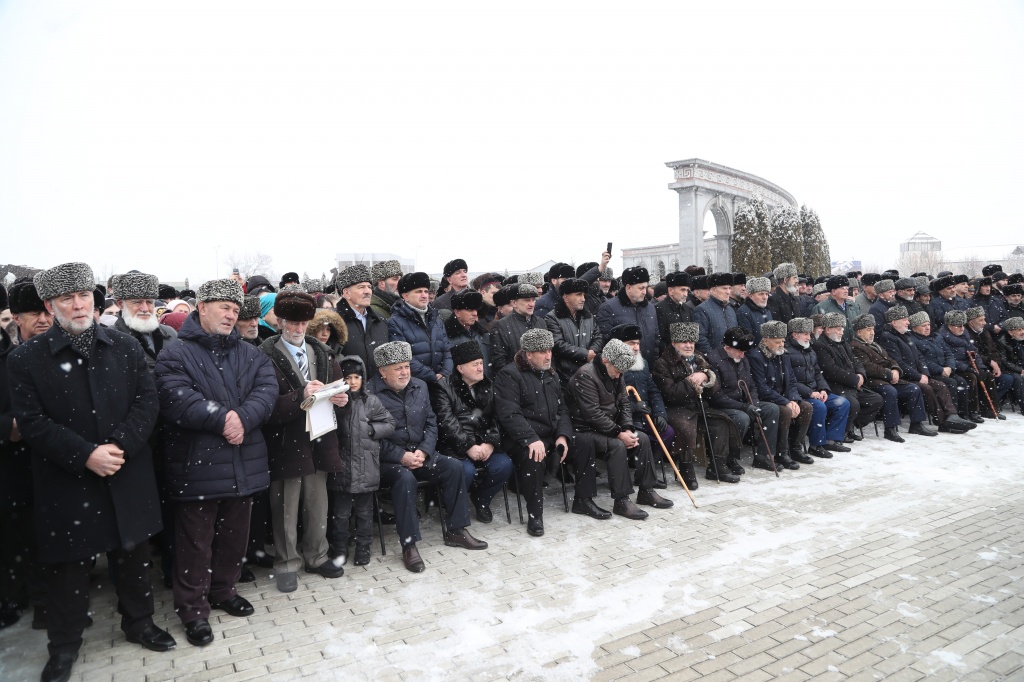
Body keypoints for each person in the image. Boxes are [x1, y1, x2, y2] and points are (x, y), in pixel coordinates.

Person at [9, 262, 175, 681]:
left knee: (133, 555)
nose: (79, 305)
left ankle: (139, 622)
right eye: (67, 298)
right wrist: (85, 454)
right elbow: (32, 422)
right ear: (51, 304)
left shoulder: (124, 346)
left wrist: (119, 446)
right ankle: (64, 646)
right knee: (68, 569)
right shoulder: (26, 358)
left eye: (84, 295)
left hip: (124, 470)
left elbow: (147, 401)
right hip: (68, 479)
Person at [154, 278, 277, 647]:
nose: (231, 315)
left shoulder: (251, 354)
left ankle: (224, 590)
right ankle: (193, 610)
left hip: (242, 461)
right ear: (202, 307)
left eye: (235, 309)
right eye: (224, 307)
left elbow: (267, 390)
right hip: (198, 466)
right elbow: (176, 397)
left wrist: (243, 417)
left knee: (234, 537)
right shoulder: (175, 354)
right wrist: (223, 419)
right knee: (195, 543)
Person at [368, 341, 487, 573]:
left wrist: (424, 450)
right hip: (387, 461)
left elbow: (432, 423)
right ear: (382, 371)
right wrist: (401, 456)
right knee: (405, 479)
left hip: (420, 453)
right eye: (398, 368)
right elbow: (370, 437)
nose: (405, 372)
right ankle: (409, 545)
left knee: (454, 467)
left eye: (407, 366)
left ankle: (456, 530)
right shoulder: (370, 394)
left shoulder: (420, 386)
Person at [259, 291, 349, 593]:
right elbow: (264, 406)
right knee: (285, 506)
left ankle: (317, 555)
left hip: (320, 438)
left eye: (303, 323)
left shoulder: (322, 352)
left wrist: (341, 399)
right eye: (292, 323)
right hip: (285, 442)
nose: (298, 329)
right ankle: (286, 563)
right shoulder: (264, 355)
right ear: (280, 322)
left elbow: (339, 390)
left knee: (317, 502)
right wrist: (300, 396)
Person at [565, 338, 674, 520]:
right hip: (584, 430)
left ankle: (646, 490)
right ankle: (621, 500)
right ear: (605, 360)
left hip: (608, 427)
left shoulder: (617, 371)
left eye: (621, 373)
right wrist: (618, 433)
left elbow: (624, 403)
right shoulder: (585, 375)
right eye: (617, 371)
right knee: (617, 446)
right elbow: (592, 414)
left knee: (642, 438)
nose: (618, 376)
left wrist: (627, 428)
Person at [493, 329, 573, 537]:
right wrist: (530, 439)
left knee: (583, 442)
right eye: (542, 352)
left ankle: (584, 500)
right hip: (520, 438)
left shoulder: (550, 374)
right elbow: (509, 414)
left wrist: (563, 436)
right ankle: (535, 515)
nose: (548, 356)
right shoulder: (509, 375)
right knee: (534, 457)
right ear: (528, 354)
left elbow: (562, 409)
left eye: (550, 351)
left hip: (549, 434)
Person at [430, 340, 514, 524]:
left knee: (504, 465)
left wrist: (490, 443)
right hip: (454, 446)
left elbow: (497, 418)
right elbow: (447, 422)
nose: (480, 368)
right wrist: (468, 446)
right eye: (475, 364)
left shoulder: (487, 385)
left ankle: (481, 499)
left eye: (481, 363)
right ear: (460, 368)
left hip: (483, 443)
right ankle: (452, 505)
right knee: (464, 471)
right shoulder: (443, 387)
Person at [652, 322, 741, 489]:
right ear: (674, 343)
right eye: (684, 342)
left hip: (698, 406)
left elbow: (715, 389)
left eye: (691, 341)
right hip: (675, 408)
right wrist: (692, 382)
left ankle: (717, 466)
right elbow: (670, 394)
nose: (689, 345)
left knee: (721, 422)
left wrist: (707, 377)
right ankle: (686, 470)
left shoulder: (699, 358)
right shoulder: (662, 363)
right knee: (684, 427)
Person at [328, 356, 396, 567]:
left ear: (363, 378)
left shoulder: (371, 401)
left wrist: (372, 430)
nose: (353, 382)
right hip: (342, 468)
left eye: (357, 377)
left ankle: (363, 547)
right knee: (340, 513)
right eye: (348, 377)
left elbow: (389, 422)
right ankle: (340, 548)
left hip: (367, 467)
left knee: (365, 513)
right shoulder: (336, 402)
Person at [877, 306, 976, 434]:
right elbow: (898, 363)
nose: (908, 322)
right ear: (894, 322)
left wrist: (925, 373)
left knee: (941, 386)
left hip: (917, 374)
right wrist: (918, 376)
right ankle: (940, 422)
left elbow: (919, 358)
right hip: (903, 376)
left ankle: (952, 416)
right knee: (927, 388)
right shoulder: (888, 337)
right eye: (904, 319)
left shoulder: (905, 335)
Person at [706, 327, 784, 474]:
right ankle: (730, 458)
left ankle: (762, 456)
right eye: (739, 352)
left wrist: (754, 404)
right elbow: (716, 396)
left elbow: (751, 386)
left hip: (742, 402)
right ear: (727, 348)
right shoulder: (713, 360)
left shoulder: (743, 359)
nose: (742, 356)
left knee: (771, 409)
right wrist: (744, 407)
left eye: (744, 352)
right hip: (722, 405)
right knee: (742, 418)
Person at [849, 314, 937, 442]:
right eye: (868, 330)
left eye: (873, 329)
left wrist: (895, 369)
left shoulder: (875, 345)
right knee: (890, 392)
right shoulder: (856, 346)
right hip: (873, 381)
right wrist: (889, 374)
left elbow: (890, 359)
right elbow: (868, 367)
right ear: (859, 332)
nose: (872, 332)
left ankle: (916, 424)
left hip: (888, 379)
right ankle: (890, 429)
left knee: (913, 389)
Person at [747, 321, 814, 466]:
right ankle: (781, 453)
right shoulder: (756, 357)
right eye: (777, 342)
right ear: (766, 341)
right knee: (784, 411)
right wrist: (785, 402)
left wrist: (794, 399)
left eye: (783, 341)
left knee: (806, 407)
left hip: (783, 397)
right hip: (766, 399)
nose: (782, 345)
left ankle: (795, 448)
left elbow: (792, 381)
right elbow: (761, 388)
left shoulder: (783, 355)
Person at [785, 317, 851, 457]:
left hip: (815, 391)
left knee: (842, 403)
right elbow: (790, 380)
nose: (809, 337)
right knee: (819, 407)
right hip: (799, 394)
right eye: (805, 334)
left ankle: (832, 439)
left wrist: (823, 389)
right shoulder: (787, 353)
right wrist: (810, 392)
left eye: (809, 334)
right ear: (795, 334)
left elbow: (817, 373)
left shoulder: (809, 350)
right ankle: (816, 445)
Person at [812, 313, 885, 442]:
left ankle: (850, 425)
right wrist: (854, 379)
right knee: (853, 404)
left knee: (876, 400)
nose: (842, 332)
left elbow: (856, 361)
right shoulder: (820, 345)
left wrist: (860, 374)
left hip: (851, 384)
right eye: (838, 329)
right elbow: (831, 370)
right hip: (835, 385)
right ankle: (843, 431)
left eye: (842, 328)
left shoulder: (842, 342)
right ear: (828, 329)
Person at [388, 271, 453, 384]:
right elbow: (403, 357)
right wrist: (431, 376)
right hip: (416, 385)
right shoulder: (395, 322)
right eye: (418, 291)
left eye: (426, 291)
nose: (424, 295)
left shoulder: (436, 319)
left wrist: (445, 372)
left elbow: (447, 350)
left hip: (442, 383)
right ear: (405, 296)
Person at [111, 271, 179, 370]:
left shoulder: (170, 333)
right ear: (121, 304)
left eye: (149, 302)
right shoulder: (110, 338)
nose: (145, 309)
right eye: (137, 302)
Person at [596, 266, 660, 367]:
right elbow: (605, 342)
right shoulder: (608, 308)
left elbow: (655, 340)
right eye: (641, 288)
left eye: (645, 287)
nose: (644, 292)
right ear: (629, 287)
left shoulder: (650, 308)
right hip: (621, 370)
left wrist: (653, 365)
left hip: (647, 369)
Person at [546, 277, 604, 387]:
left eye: (583, 295)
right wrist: (585, 354)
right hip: (566, 375)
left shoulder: (588, 316)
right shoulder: (552, 317)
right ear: (566, 297)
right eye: (578, 294)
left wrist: (592, 351)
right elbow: (557, 344)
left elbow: (598, 336)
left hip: (589, 372)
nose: (583, 299)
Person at [335, 264, 390, 378]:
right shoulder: (334, 322)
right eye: (361, 287)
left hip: (378, 386)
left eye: (369, 287)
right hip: (348, 387)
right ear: (346, 293)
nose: (367, 291)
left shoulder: (380, 320)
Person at [491, 282, 545, 373]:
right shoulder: (501, 326)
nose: (532, 304)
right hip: (517, 379)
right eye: (527, 300)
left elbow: (549, 354)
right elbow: (499, 361)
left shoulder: (541, 322)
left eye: (533, 300)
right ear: (514, 303)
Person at [444, 288, 493, 375]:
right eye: (470, 310)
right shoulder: (445, 337)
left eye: (476, 309)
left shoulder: (483, 334)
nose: (475, 313)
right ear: (457, 312)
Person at [694, 272, 738, 355]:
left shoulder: (731, 310)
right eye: (724, 288)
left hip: (731, 357)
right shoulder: (702, 309)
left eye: (729, 288)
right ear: (713, 290)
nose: (728, 292)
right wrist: (713, 356)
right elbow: (700, 338)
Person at [813, 275, 862, 341]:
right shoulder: (821, 308)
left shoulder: (854, 306)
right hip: (833, 345)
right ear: (833, 291)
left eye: (847, 288)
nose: (846, 291)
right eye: (843, 288)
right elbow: (818, 333)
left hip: (855, 344)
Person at [655, 271, 692, 351]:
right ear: (671, 290)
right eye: (682, 290)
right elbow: (658, 339)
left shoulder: (687, 309)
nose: (686, 294)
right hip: (668, 356)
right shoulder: (659, 309)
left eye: (687, 290)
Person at [736, 276, 773, 345]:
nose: (765, 297)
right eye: (761, 294)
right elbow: (747, 341)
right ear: (751, 295)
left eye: (767, 294)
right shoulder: (744, 312)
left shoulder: (767, 310)